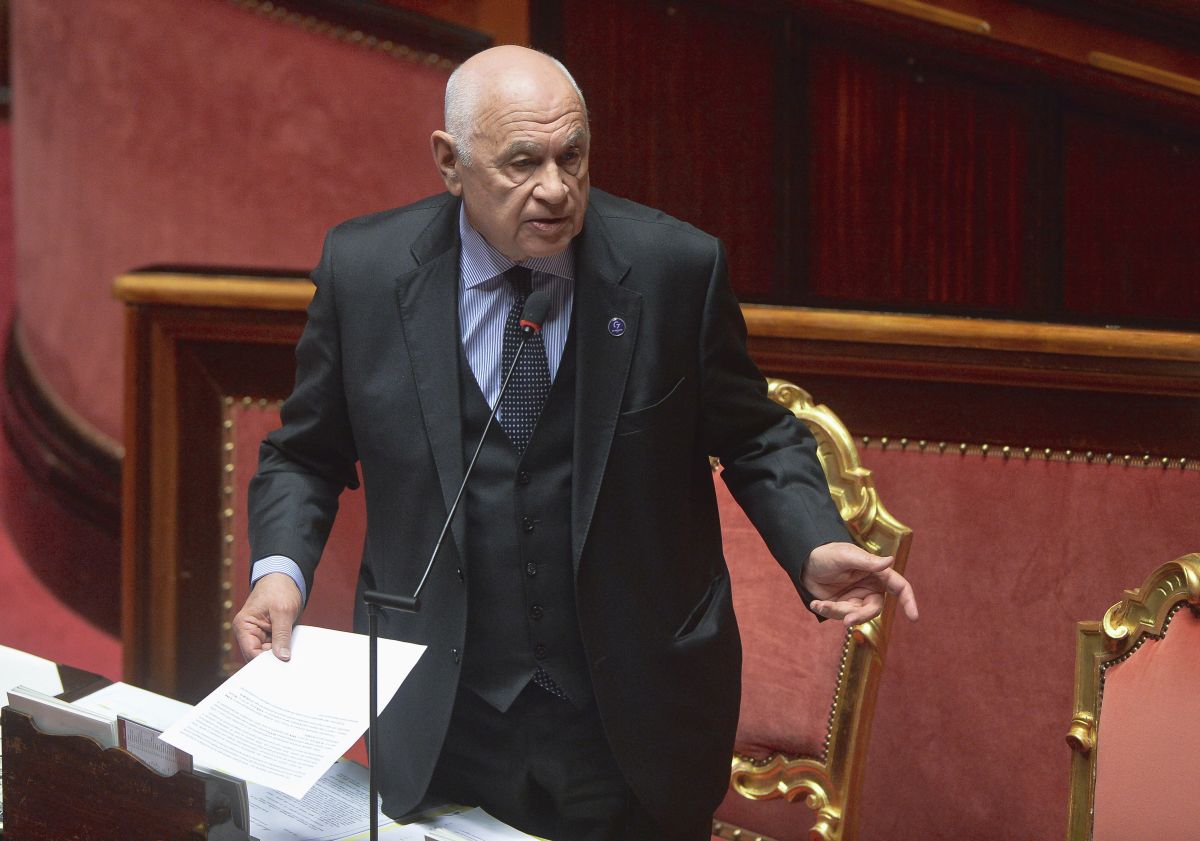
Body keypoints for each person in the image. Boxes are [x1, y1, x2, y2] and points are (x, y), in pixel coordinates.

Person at [234, 45, 918, 841]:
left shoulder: (672, 268)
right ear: (450, 163)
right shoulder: (365, 272)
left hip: (631, 718)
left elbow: (757, 434)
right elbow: (305, 453)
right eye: (523, 162)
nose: (556, 188)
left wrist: (814, 539)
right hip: (445, 713)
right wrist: (279, 571)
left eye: (574, 156)